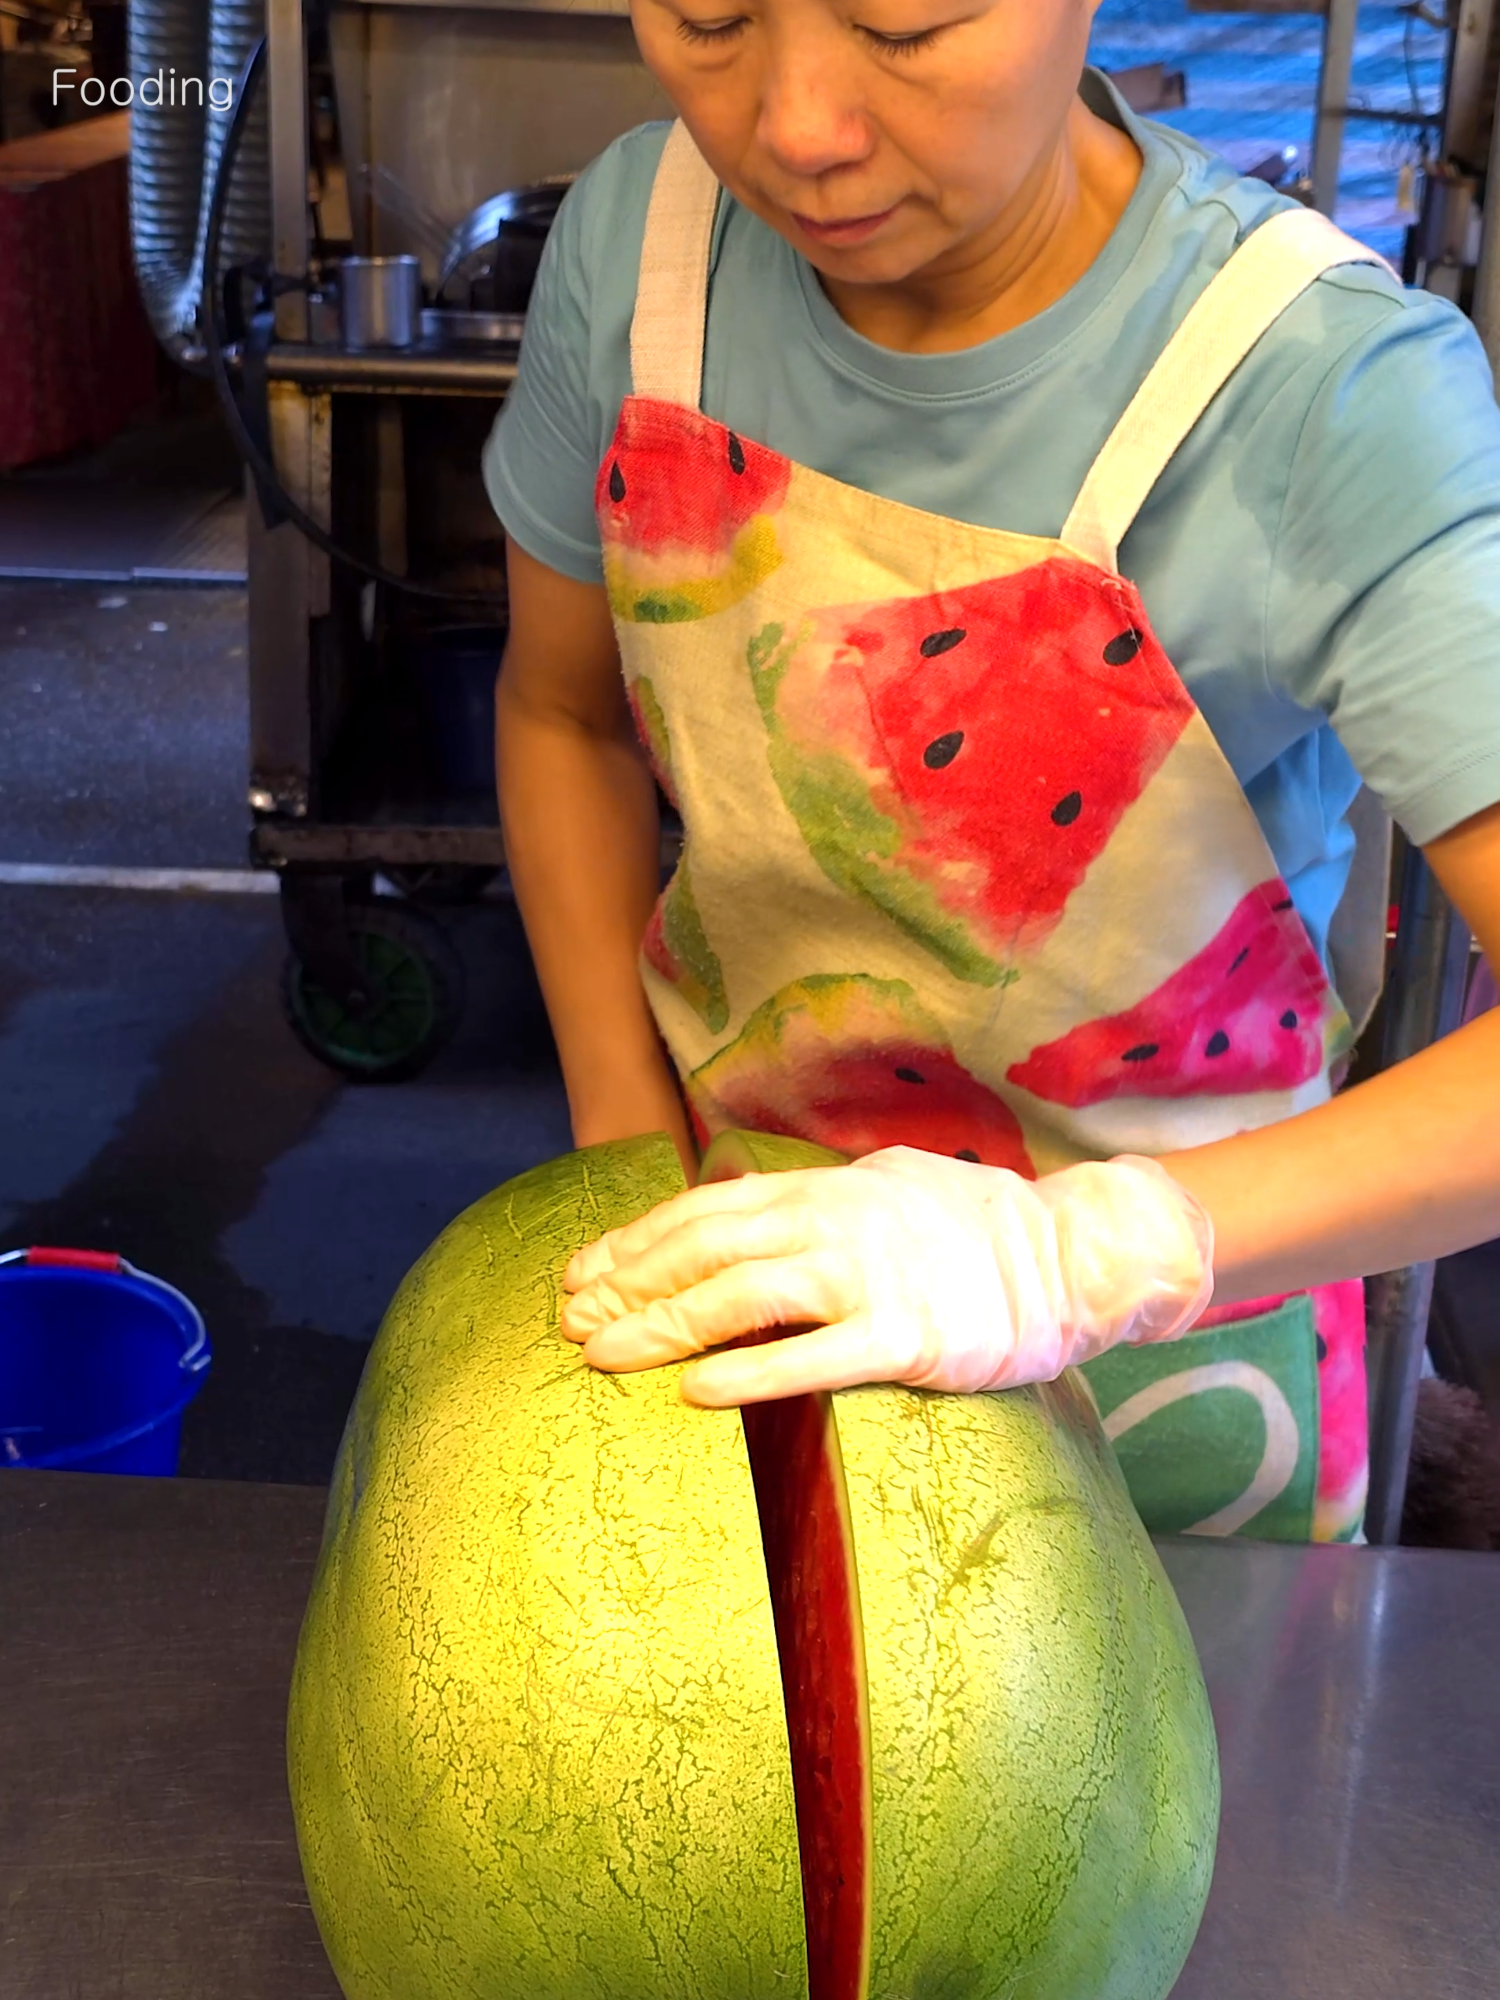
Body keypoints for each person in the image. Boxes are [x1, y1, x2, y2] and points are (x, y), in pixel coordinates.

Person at [484, 0, 1500, 1544]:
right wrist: (628, 1161)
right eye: (708, 15)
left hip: (1179, 1360)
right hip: (733, 1279)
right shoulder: (643, 239)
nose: (799, 125)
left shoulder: (1334, 399)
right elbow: (560, 720)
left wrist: (1079, 1262)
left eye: (908, 20)